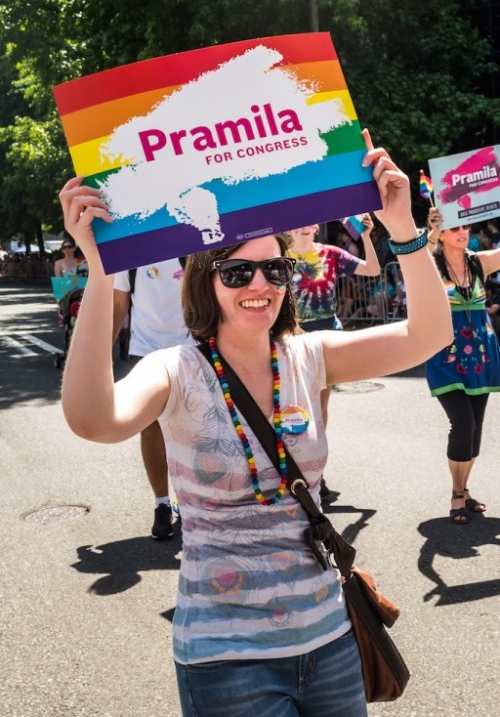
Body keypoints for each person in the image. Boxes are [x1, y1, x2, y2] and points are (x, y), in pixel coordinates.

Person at [58, 131, 452, 717]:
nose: (259, 285)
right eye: (236, 273)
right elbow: (94, 420)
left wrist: (403, 230)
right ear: (206, 280)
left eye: (272, 269)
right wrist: (97, 270)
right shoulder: (175, 370)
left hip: (332, 642)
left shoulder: (311, 355)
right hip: (225, 660)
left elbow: (429, 336)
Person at [426, 207, 500, 523]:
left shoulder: (478, 262)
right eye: (454, 227)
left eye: (465, 226)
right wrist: (429, 232)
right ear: (442, 234)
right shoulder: (431, 264)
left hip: (481, 357)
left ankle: (465, 489)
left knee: (476, 428)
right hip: (445, 358)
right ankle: (457, 493)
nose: (462, 231)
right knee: (463, 423)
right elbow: (415, 258)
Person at [112, 260, 193, 540]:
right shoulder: (128, 256)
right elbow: (119, 306)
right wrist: (99, 355)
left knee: (190, 428)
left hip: (189, 348)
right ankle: (162, 504)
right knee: (151, 427)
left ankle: (188, 500)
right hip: (143, 350)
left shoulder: (190, 245)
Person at [288, 214, 380, 428]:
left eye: (308, 222)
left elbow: (373, 270)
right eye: (296, 223)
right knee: (293, 404)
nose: (303, 226)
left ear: (316, 227)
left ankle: (317, 454)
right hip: (292, 337)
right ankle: (296, 452)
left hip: (326, 335)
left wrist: (365, 236)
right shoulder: (279, 258)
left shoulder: (330, 254)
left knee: (320, 404)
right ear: (288, 229)